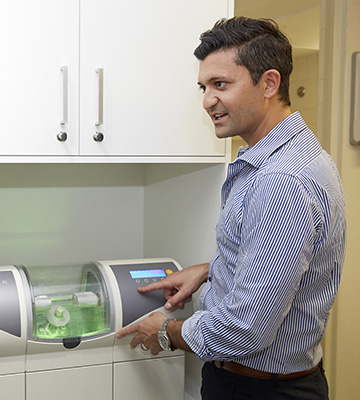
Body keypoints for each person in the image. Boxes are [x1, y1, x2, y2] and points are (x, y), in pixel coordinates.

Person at [117, 17, 346, 400]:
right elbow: (282, 258)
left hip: (259, 389)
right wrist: (211, 270)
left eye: (221, 84)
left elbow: (246, 326)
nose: (208, 100)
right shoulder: (300, 158)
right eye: (204, 87)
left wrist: (164, 330)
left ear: (269, 83)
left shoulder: (280, 181)